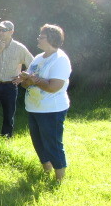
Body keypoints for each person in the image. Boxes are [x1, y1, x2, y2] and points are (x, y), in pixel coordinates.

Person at [13, 24, 71, 183]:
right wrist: (24, 78)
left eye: (41, 36)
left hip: (52, 109)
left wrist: (34, 80)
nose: (38, 38)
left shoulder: (60, 59)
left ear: (52, 39)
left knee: (52, 143)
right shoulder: (38, 58)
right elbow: (27, 84)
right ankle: (46, 172)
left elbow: (54, 87)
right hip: (34, 108)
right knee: (38, 142)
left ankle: (60, 179)